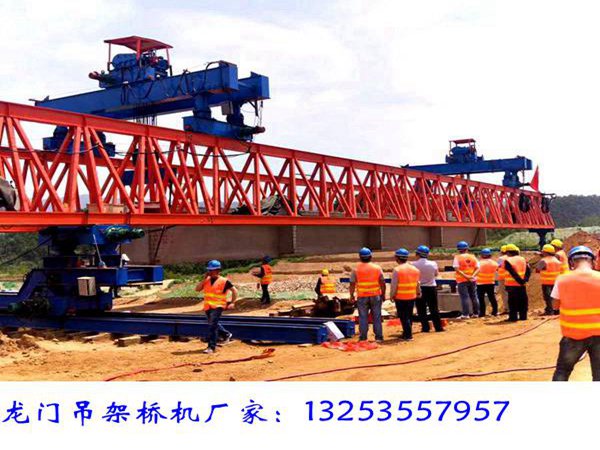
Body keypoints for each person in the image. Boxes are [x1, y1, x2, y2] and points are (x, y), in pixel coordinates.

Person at [551, 246, 600, 381]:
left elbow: (555, 305)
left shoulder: (562, 279)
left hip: (573, 335)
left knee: (562, 371)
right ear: (592, 261)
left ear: (572, 262)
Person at [195, 259, 238, 354]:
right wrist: (203, 279)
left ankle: (211, 347)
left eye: (212, 270)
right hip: (208, 306)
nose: (209, 272)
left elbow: (234, 291)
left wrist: (232, 302)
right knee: (213, 323)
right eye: (209, 270)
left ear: (218, 270)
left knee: (212, 326)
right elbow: (197, 289)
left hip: (218, 306)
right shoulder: (206, 280)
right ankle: (226, 334)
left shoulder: (224, 281)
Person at [349, 247, 386, 342]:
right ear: (370, 257)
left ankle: (363, 337)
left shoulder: (356, 269)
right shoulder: (377, 268)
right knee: (377, 317)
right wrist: (383, 294)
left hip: (362, 296)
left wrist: (351, 295)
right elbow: (382, 282)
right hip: (375, 296)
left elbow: (352, 284)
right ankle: (379, 337)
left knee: (363, 317)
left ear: (360, 257)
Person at [390, 248, 421, 341]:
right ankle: (407, 332)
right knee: (409, 315)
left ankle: (408, 335)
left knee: (403, 316)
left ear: (397, 258)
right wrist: (418, 292)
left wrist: (392, 295)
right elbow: (417, 283)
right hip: (411, 296)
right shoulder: (415, 269)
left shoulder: (397, 270)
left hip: (400, 297)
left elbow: (394, 285)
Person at [411, 245, 444, 332]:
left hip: (419, 288)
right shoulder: (433, 264)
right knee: (434, 308)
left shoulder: (413, 264)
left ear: (417, 254)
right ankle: (438, 327)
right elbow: (436, 274)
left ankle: (425, 327)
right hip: (431, 287)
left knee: (421, 309)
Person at [503, 244, 531, 321]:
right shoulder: (523, 259)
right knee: (522, 300)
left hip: (511, 284)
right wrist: (524, 280)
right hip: (522, 284)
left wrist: (520, 281)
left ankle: (513, 317)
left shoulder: (508, 261)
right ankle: (523, 316)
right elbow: (528, 270)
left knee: (512, 301)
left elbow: (513, 273)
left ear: (508, 252)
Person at [453, 241, 480, 318]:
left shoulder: (457, 257)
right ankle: (476, 313)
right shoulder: (473, 257)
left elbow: (457, 269)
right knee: (474, 296)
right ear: (467, 248)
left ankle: (465, 314)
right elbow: (478, 268)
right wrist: (472, 276)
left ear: (458, 249)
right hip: (472, 280)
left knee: (464, 297)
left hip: (462, 280)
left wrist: (466, 277)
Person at [535, 244, 562, 315]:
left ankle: (550, 311)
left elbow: (537, 269)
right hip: (556, 282)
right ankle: (556, 310)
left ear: (545, 252)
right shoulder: (556, 260)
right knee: (555, 297)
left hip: (546, 282)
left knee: (548, 297)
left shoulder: (543, 261)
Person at [476, 248, 498, 316]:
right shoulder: (494, 263)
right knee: (492, 297)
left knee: (481, 298)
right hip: (491, 282)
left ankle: (482, 313)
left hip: (480, 283)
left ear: (482, 255)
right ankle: (495, 312)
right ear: (490, 255)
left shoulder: (479, 263)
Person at [497, 245, 509, 314]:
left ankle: (507, 309)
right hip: (511, 278)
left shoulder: (501, 258)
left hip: (503, 279)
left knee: (504, 294)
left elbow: (497, 267)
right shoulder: (511, 257)